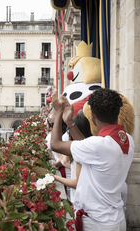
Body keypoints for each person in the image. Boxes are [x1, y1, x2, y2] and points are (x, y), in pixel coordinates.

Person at [51, 88, 134, 231]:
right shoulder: (127, 139)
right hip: (116, 219)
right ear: (118, 112)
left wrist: (59, 112)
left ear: (93, 115)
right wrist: (69, 122)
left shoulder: (98, 145)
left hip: (98, 223)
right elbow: (87, 147)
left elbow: (55, 144)